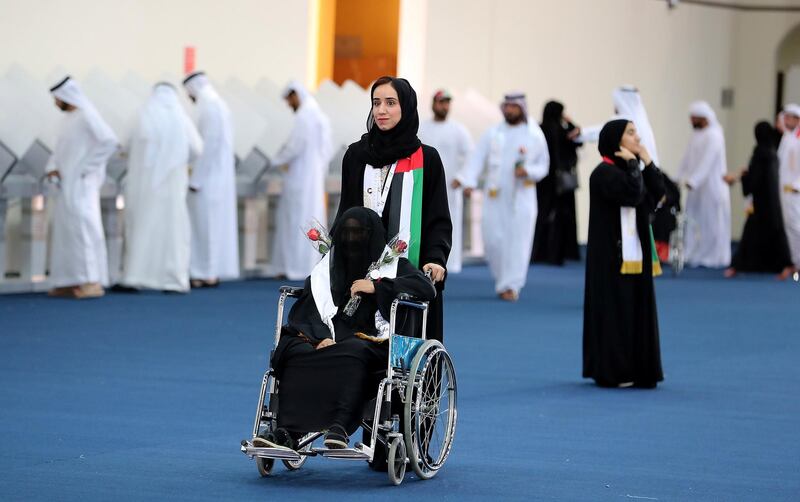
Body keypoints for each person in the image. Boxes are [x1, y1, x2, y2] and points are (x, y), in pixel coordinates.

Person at [253, 207, 436, 450]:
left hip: (371, 340)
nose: (351, 240)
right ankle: (287, 432)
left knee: (353, 350)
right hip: (326, 338)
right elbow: (306, 311)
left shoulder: (392, 265)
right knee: (295, 350)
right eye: (346, 234)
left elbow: (426, 289)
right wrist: (320, 337)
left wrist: (378, 286)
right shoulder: (325, 270)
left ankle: (339, 427)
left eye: (359, 234)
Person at [335, 76, 452, 343]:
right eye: (376, 103)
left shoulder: (427, 159)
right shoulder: (356, 155)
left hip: (407, 272)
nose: (381, 111)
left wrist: (436, 258)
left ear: (407, 108)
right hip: (361, 267)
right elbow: (345, 213)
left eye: (390, 103)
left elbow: (438, 219)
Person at [583, 119, 665, 389]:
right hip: (612, 257)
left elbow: (660, 193)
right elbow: (632, 194)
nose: (637, 138)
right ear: (615, 140)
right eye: (631, 133)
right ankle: (614, 370)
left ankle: (641, 369)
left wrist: (647, 161)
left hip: (636, 254)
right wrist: (633, 166)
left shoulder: (634, 171)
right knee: (615, 311)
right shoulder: (603, 173)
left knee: (638, 309)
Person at [455, 92, 549, 301]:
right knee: (493, 241)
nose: (509, 110)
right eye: (506, 106)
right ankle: (501, 280)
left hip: (521, 198)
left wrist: (529, 171)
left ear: (521, 108)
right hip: (494, 196)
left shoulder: (534, 134)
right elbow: (477, 158)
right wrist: (468, 181)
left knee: (518, 242)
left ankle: (512, 285)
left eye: (513, 107)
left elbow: (543, 165)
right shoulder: (494, 133)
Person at [121, 82, 203, 293]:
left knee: (141, 228)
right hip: (173, 187)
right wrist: (178, 163)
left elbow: (125, 144)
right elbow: (197, 148)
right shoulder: (180, 116)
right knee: (173, 233)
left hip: (143, 186)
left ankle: (134, 277)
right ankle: (174, 280)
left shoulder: (142, 114)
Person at [45, 76, 118, 299]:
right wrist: (53, 167)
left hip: (83, 185)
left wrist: (85, 168)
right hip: (67, 185)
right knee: (67, 233)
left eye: (58, 98)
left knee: (84, 230)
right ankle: (68, 280)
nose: (56, 103)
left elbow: (109, 141)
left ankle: (91, 281)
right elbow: (60, 150)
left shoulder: (87, 114)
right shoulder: (69, 119)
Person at [268, 80, 334, 280]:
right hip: (311, 176)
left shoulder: (306, 116)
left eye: (289, 99)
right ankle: (302, 266)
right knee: (308, 219)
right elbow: (327, 149)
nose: (289, 104)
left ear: (295, 95)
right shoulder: (318, 115)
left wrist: (274, 160)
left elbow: (294, 146)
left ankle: (295, 267)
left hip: (300, 177)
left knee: (296, 220)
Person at [182, 71, 239, 287]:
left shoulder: (210, 106)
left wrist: (196, 179)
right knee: (207, 226)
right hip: (213, 178)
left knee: (206, 226)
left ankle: (206, 273)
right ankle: (205, 271)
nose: (189, 98)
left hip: (208, 179)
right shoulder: (216, 104)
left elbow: (209, 147)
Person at [724, 121, 794, 279]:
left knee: (749, 235)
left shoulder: (760, 153)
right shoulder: (772, 153)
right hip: (773, 203)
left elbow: (755, 181)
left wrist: (744, 176)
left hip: (761, 204)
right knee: (776, 234)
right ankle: (786, 266)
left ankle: (736, 266)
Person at [418, 90, 473, 273]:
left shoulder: (459, 129)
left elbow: (470, 156)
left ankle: (451, 263)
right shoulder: (422, 127)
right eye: (441, 102)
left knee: (450, 222)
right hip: (424, 185)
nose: (444, 106)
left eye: (447, 102)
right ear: (433, 104)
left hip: (450, 186)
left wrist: (462, 178)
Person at [677, 101, 731, 268]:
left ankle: (713, 257)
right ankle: (693, 253)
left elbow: (708, 161)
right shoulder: (696, 135)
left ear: (703, 118)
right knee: (694, 219)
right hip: (696, 189)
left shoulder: (715, 135)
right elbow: (686, 158)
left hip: (712, 187)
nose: (691, 122)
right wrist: (677, 177)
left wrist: (694, 180)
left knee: (711, 222)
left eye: (694, 119)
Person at [532, 100, 582, 265]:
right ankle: (556, 254)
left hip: (543, 181)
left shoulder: (539, 129)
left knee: (541, 216)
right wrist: (570, 122)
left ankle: (538, 253)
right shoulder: (561, 130)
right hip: (559, 183)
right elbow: (577, 139)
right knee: (559, 217)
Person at [777, 104, 800, 269]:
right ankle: (793, 261)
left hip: (794, 192)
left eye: (789, 117)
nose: (786, 120)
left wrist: (796, 186)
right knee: (787, 227)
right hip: (783, 191)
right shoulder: (787, 138)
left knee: (796, 226)